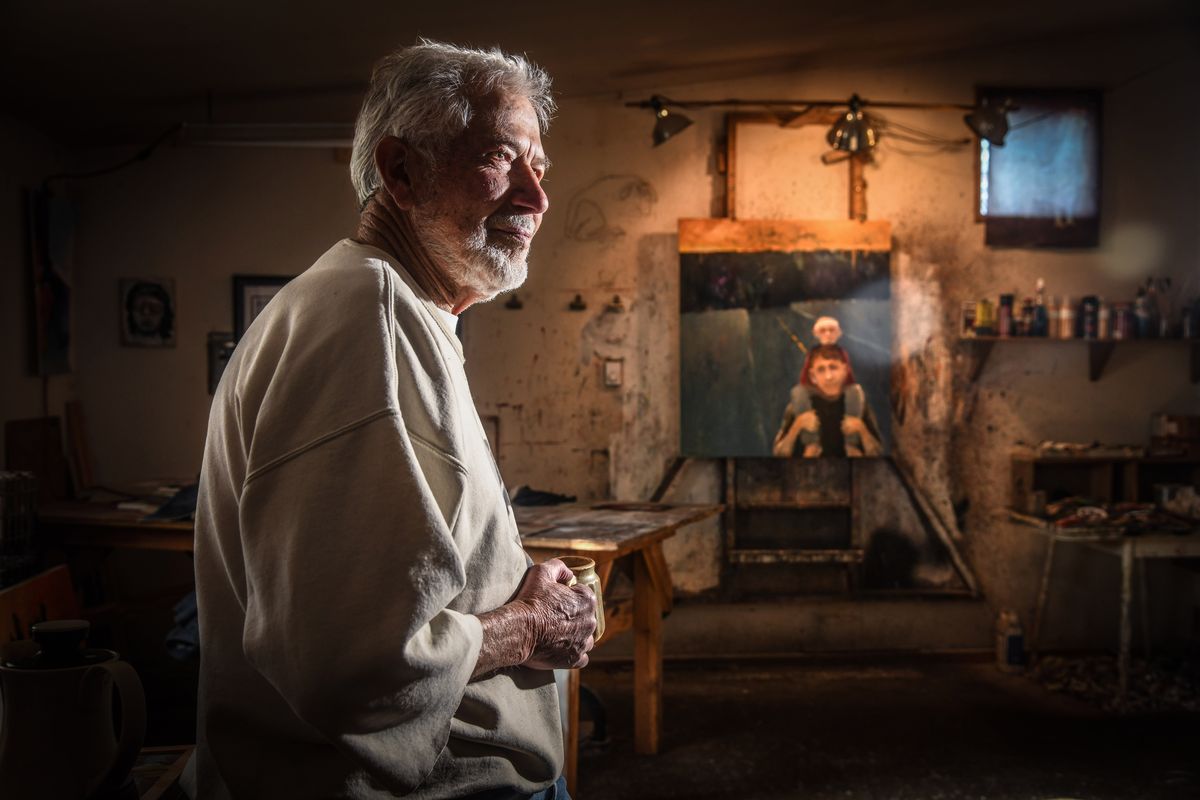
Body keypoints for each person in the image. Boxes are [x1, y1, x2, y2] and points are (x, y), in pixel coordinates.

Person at [190, 40, 595, 800]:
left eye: (540, 168)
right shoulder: (365, 315)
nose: (536, 200)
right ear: (401, 171)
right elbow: (350, 663)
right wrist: (530, 626)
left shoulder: (397, 308)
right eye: (502, 159)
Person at [772, 344, 882, 458]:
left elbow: (878, 453)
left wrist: (862, 430)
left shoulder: (859, 404)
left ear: (845, 370)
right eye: (821, 370)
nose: (828, 376)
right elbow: (779, 454)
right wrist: (796, 427)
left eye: (833, 367)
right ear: (812, 376)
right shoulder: (797, 406)